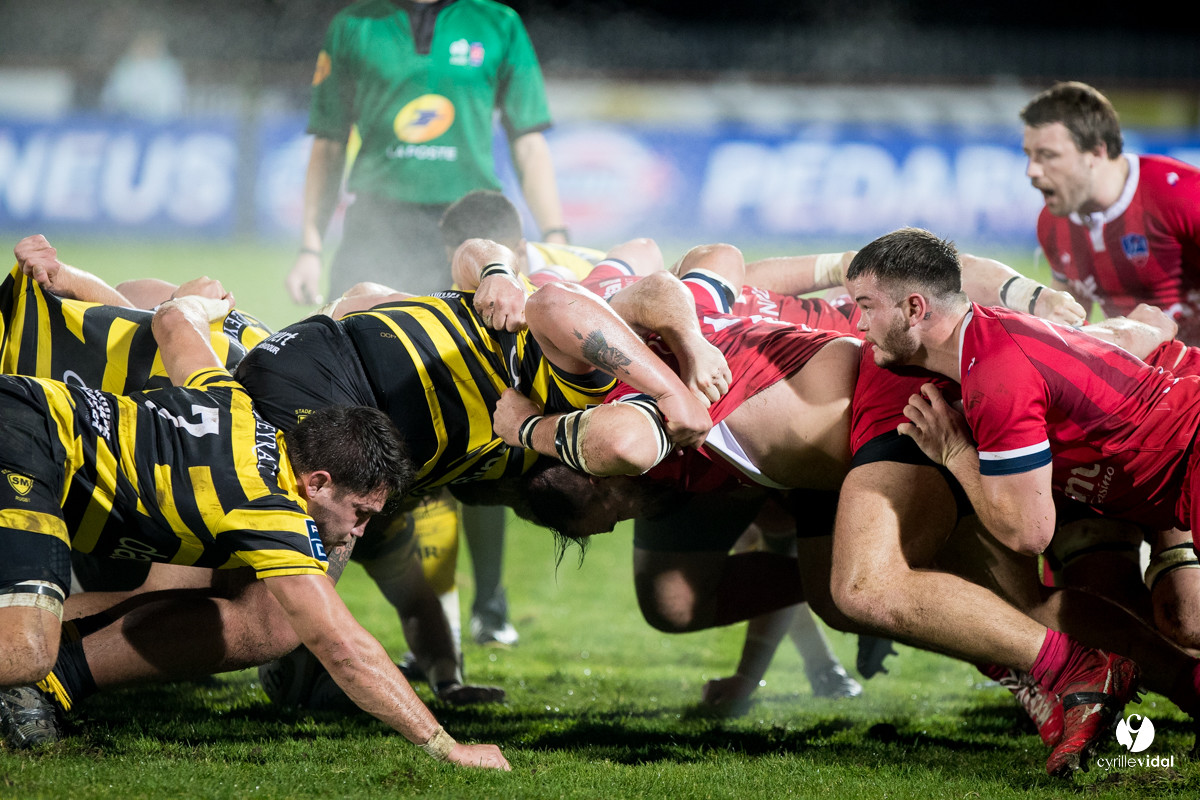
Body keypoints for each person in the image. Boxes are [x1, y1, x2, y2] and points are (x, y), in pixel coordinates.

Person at [488, 244, 1200, 776]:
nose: (625, 517)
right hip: (854, 436)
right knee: (914, 599)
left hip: (887, 408)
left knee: (867, 587)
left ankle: (1072, 670)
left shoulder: (603, 379)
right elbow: (692, 274)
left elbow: (636, 297)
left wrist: (527, 427)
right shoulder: (653, 350)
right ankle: (1160, 679)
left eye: (609, 514)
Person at [0, 293, 509, 770]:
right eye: (360, 512)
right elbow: (344, 648)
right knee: (25, 658)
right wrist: (446, 746)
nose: (359, 531)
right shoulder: (272, 511)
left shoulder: (236, 402)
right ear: (317, 483)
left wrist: (209, 302)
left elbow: (173, 320)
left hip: (26, 412)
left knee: (32, 643)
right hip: (24, 442)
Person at [285, 0, 568, 304]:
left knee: (476, 335)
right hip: (378, 224)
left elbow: (529, 144)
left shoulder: (498, 22)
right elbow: (329, 145)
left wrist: (555, 237)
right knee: (352, 331)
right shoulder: (354, 24)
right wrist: (310, 249)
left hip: (472, 227)